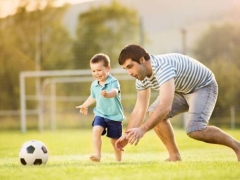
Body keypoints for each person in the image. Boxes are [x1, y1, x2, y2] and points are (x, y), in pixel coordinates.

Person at [115, 44, 240, 161]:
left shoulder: (162, 67)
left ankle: (237, 146)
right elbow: (139, 110)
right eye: (126, 69)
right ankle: (174, 157)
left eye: (130, 67)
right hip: (180, 90)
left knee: (195, 130)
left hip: (202, 86)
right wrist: (127, 135)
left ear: (142, 60)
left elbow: (165, 107)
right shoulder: (141, 78)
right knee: (153, 113)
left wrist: (142, 129)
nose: (129, 73)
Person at [76, 53, 125, 162]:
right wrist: (85, 105)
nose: (96, 73)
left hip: (114, 116)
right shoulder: (94, 84)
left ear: (108, 68)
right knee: (96, 130)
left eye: (99, 70)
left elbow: (115, 92)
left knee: (114, 140)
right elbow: (93, 96)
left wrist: (108, 94)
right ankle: (97, 155)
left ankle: (118, 160)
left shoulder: (113, 82)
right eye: (93, 71)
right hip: (100, 114)